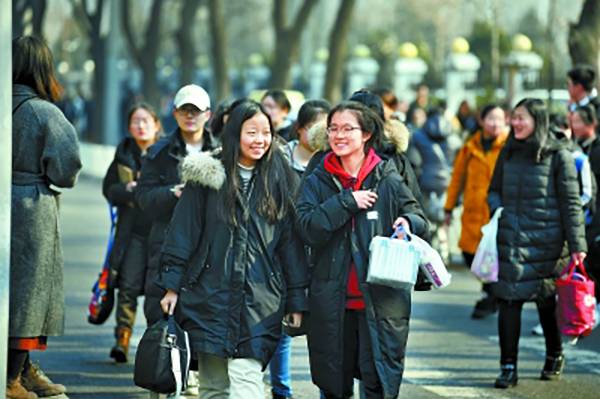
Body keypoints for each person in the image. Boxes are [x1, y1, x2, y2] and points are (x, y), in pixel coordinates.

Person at [157, 100, 308, 398]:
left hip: (260, 300)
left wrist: (296, 299)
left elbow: (291, 246)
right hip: (209, 296)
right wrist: (171, 287)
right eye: (252, 132)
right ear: (235, 133)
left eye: (266, 132)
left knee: (246, 381)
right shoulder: (207, 175)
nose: (260, 140)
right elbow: (182, 234)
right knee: (213, 387)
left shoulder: (282, 178)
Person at [296, 101, 428, 398]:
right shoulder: (318, 178)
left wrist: (408, 223)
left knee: (377, 384)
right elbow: (305, 227)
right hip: (332, 302)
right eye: (333, 129)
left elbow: (419, 217)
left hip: (381, 302)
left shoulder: (387, 176)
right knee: (333, 386)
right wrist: (346, 202)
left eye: (347, 129)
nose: (338, 135)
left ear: (366, 133)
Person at [487, 98, 587, 389]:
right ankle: (508, 367)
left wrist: (578, 244)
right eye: (514, 117)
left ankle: (554, 354)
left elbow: (571, 203)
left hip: (548, 241)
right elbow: (493, 190)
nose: (515, 123)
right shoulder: (508, 151)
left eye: (521, 118)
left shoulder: (559, 155)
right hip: (511, 237)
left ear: (538, 121)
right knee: (508, 300)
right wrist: (499, 210)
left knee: (545, 302)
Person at [8, 36, 82, 399]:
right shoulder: (44, 113)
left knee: (11, 290)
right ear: (43, 68)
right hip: (30, 208)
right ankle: (11, 377)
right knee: (30, 292)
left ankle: (22, 370)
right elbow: (66, 168)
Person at [135, 84, 218, 326]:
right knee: (160, 321)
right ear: (174, 113)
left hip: (209, 247)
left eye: (196, 110)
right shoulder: (159, 152)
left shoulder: (221, 152)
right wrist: (174, 193)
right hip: (165, 245)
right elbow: (143, 198)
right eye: (185, 110)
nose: (190, 116)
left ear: (208, 114)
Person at [102, 103, 162, 363]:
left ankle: (153, 344)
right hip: (132, 233)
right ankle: (122, 340)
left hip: (160, 233)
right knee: (126, 286)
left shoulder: (166, 152)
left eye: (146, 121)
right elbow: (110, 190)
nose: (141, 126)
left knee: (155, 290)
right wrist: (130, 189)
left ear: (156, 125)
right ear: (129, 127)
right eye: (136, 121)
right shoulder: (123, 153)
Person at [444, 104, 509, 319]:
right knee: (470, 254)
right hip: (472, 213)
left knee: (495, 256)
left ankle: (491, 296)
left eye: (500, 119)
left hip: (497, 213)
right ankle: (491, 292)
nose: (495, 123)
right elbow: (457, 179)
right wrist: (449, 206)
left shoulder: (510, 146)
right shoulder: (469, 147)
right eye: (491, 118)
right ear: (481, 121)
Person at [570, 105, 600, 323]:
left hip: (594, 216)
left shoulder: (595, 151)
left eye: (578, 121)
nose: (574, 125)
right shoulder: (575, 149)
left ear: (591, 124)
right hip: (583, 217)